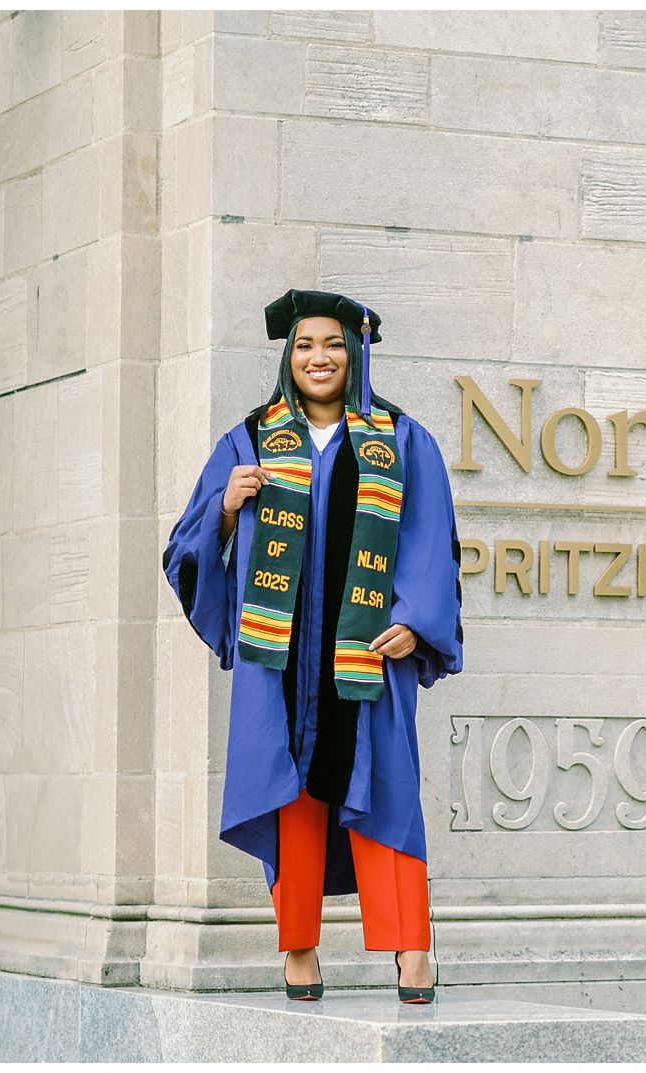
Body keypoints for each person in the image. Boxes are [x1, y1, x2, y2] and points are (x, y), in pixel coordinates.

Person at [162, 289, 464, 1003]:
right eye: (304, 346)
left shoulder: (401, 438)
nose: (318, 357)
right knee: (289, 792)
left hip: (370, 649)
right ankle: (299, 947)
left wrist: (416, 621)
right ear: (287, 357)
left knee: (387, 792)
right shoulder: (249, 439)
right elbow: (187, 548)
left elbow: (433, 539)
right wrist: (226, 507)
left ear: (356, 350)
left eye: (332, 343)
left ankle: (412, 951)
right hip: (283, 657)